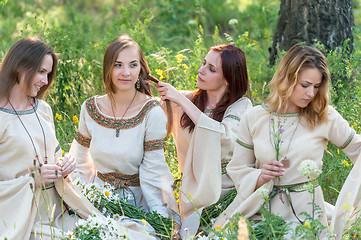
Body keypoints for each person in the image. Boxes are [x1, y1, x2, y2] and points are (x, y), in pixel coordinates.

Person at [0, 36, 157, 240]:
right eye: (41, 72)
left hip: (58, 212)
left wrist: (64, 164)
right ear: (20, 66)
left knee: (131, 235)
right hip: (21, 217)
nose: (45, 81)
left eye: (48, 74)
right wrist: (33, 180)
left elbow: (53, 155)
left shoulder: (43, 110)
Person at [215, 44, 361, 238]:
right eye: (305, 85)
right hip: (258, 209)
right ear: (286, 79)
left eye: (317, 87)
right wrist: (260, 176)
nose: (311, 94)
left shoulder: (324, 117)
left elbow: (357, 149)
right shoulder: (254, 117)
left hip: (304, 214)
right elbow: (238, 168)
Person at [69, 35, 180, 228]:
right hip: (97, 199)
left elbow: (155, 171)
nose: (126, 72)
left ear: (141, 69)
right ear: (108, 68)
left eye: (133, 65)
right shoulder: (90, 108)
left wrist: (163, 221)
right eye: (118, 65)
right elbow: (80, 162)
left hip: (136, 205)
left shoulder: (151, 112)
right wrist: (80, 201)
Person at [156, 44, 252, 236]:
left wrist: (180, 100)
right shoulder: (186, 99)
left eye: (211, 69)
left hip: (226, 189)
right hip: (192, 190)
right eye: (204, 63)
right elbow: (148, 117)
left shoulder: (241, 106)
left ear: (228, 80)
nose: (201, 70)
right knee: (185, 232)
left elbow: (224, 140)